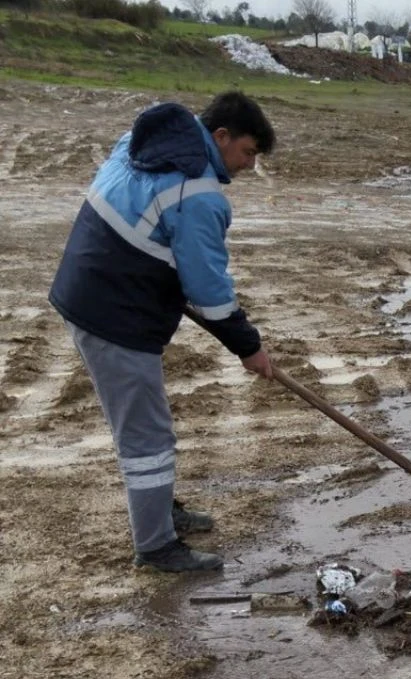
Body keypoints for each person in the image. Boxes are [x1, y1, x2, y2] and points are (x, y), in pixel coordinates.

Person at [48, 91, 276, 572]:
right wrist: (249, 348)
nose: (248, 165)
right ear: (221, 136)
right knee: (147, 438)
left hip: (87, 289)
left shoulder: (144, 143)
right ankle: (155, 547)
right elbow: (210, 292)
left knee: (141, 423)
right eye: (248, 152)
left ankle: (158, 509)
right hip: (115, 315)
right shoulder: (197, 193)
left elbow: (143, 222)